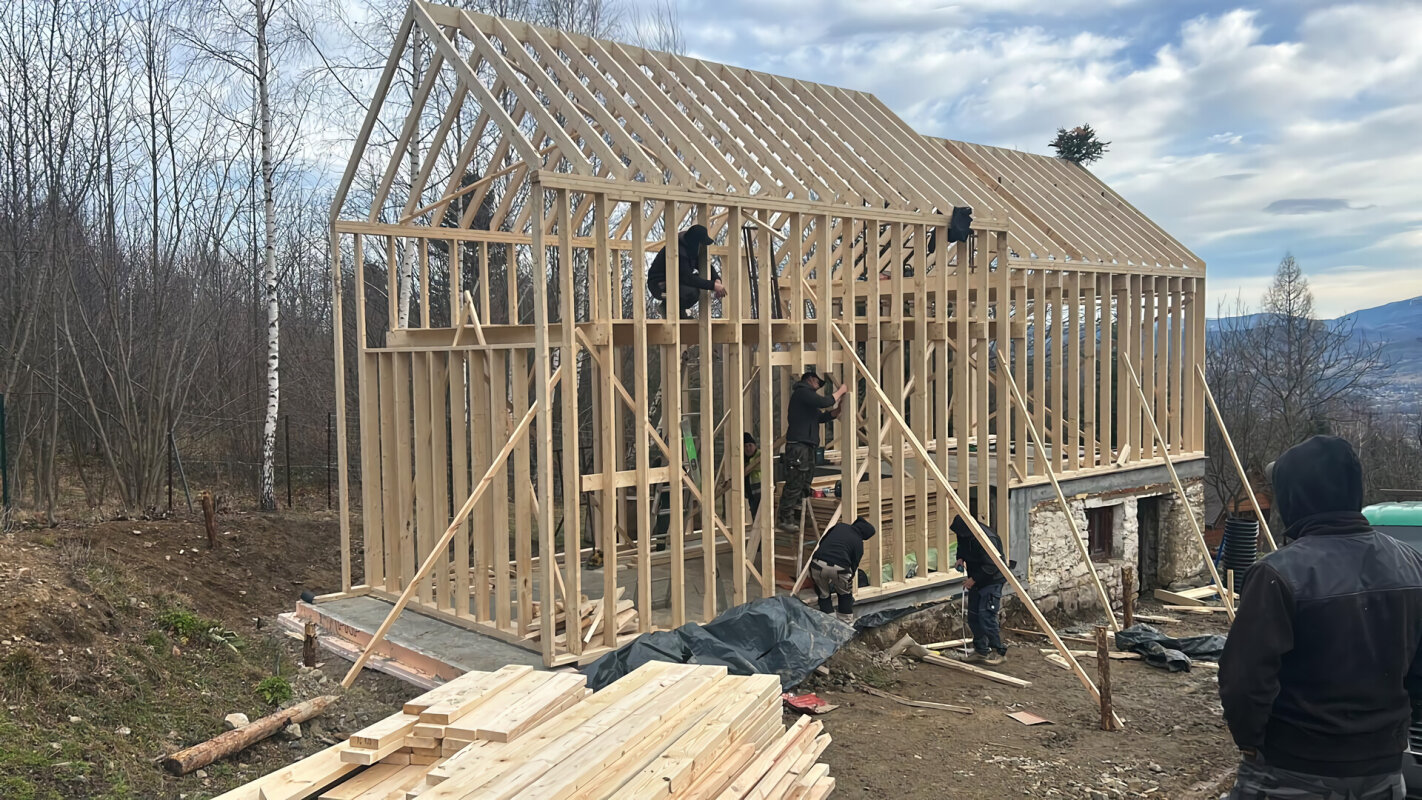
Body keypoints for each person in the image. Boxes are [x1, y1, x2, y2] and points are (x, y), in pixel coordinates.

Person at [1220, 435, 1422, 799]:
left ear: (1296, 497)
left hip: (1292, 773)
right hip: (1384, 773)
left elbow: (1244, 681)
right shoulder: (1411, 565)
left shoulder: (1278, 573)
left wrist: (1251, 744)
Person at [775, 371, 848, 533]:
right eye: (817, 383)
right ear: (810, 379)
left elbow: (819, 418)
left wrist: (836, 412)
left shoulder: (808, 402)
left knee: (805, 482)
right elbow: (823, 402)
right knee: (795, 482)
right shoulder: (802, 393)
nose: (818, 387)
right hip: (798, 447)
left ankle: (798, 515)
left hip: (807, 447)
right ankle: (784, 518)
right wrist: (841, 391)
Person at [951, 513, 1008, 665]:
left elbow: (992, 564)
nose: (959, 536)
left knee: (986, 616)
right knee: (974, 617)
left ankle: (998, 652)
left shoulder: (986, 538)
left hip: (992, 580)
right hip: (977, 579)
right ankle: (981, 651)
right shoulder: (964, 533)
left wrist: (973, 580)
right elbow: (961, 546)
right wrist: (960, 558)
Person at [647, 224, 726, 318]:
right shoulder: (678, 251)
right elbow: (687, 278)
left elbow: (704, 265)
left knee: (695, 286)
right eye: (701, 244)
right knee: (692, 291)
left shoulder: (689, 249)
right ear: (695, 242)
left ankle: (679, 312)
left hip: (675, 282)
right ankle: (668, 308)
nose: (702, 247)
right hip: (659, 285)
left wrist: (716, 279)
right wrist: (713, 285)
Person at [808, 516, 877, 623]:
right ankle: (845, 626)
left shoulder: (839, 526)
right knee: (844, 595)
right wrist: (848, 582)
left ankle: (828, 623)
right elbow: (853, 566)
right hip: (841, 569)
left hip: (817, 563)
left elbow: (822, 542)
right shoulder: (858, 543)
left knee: (823, 595)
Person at [744, 432, 762, 519]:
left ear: (755, 445)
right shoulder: (743, 459)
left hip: (760, 493)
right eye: (745, 446)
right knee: (755, 517)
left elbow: (759, 466)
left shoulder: (759, 455)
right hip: (751, 494)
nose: (748, 448)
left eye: (750, 445)